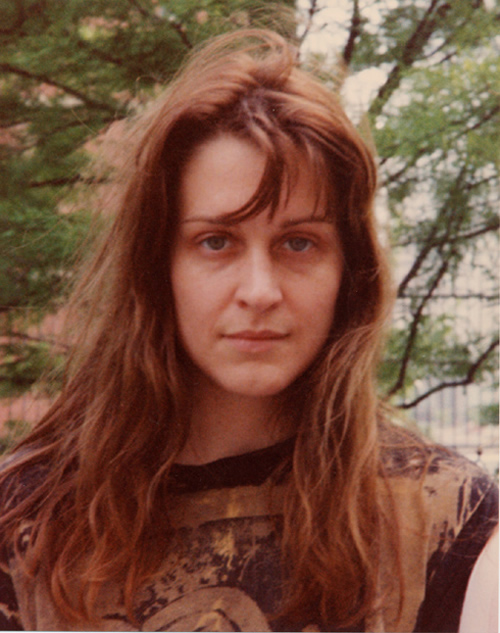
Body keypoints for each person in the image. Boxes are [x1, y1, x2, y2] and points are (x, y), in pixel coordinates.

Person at [0, 29, 497, 633]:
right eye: (216, 242)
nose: (260, 291)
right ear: (157, 266)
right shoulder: (28, 521)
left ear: (349, 272)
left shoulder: (447, 520)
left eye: (298, 242)